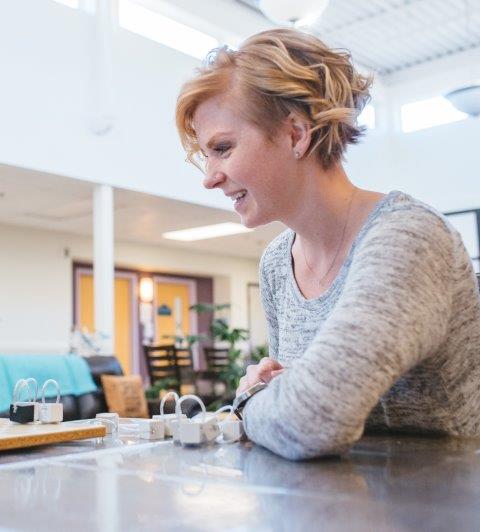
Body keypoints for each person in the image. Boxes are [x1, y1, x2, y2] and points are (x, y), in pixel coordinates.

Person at [175, 29, 480, 460]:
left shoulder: (407, 239)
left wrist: (247, 400)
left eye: (223, 148)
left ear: (297, 134)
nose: (209, 177)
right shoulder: (278, 263)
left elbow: (309, 420)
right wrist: (271, 396)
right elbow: (285, 400)